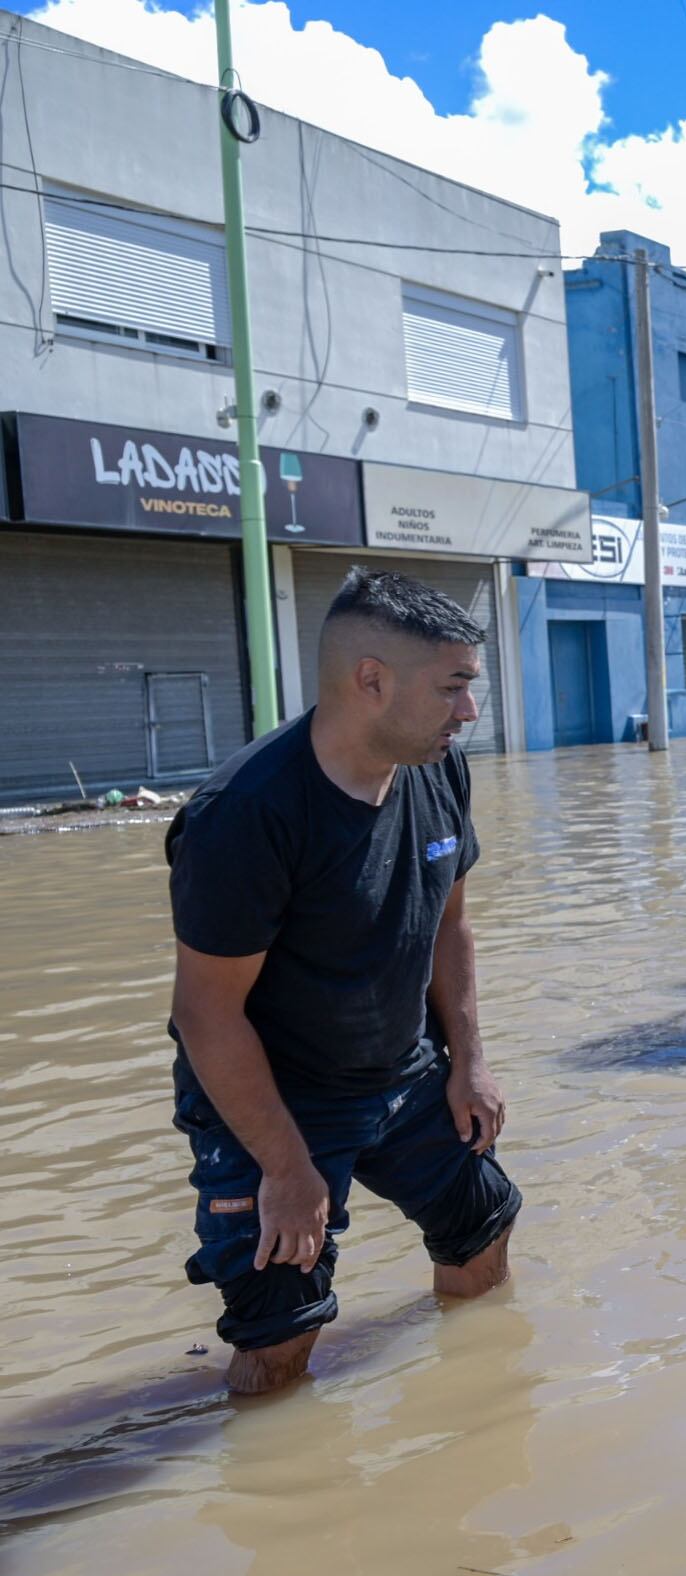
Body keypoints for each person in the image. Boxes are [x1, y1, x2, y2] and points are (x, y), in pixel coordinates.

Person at [165, 568, 523, 1395]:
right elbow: (206, 1014)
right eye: (454, 687)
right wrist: (287, 1171)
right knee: (279, 1331)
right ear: (371, 681)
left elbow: (450, 925)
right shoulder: (246, 814)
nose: (469, 712)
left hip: (401, 1070)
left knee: (484, 1229)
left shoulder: (438, 769)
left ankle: (477, 1417)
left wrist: (469, 1059)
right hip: (275, 1096)